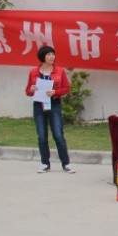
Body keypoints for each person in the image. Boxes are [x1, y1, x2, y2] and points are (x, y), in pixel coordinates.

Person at [25, 45, 74, 173]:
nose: (52, 57)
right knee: (42, 136)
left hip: (54, 104)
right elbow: (28, 91)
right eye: (49, 54)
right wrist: (32, 89)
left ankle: (66, 164)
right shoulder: (33, 72)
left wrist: (55, 92)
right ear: (43, 57)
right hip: (39, 105)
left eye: (53, 54)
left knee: (58, 135)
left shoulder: (59, 71)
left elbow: (66, 88)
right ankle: (45, 164)